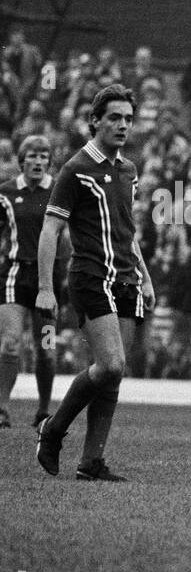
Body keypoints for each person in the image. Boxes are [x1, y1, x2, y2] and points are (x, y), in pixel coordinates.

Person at [34, 84, 154, 481]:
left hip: (126, 278)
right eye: (115, 118)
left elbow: (127, 229)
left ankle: (91, 461)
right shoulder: (75, 169)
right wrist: (46, 288)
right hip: (90, 275)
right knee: (111, 364)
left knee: (114, 372)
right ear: (95, 122)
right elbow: (51, 229)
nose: (123, 125)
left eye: (128, 119)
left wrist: (146, 276)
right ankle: (52, 430)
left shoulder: (128, 170)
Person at [0, 135, 68, 429]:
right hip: (14, 275)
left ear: (49, 162)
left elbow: (68, 236)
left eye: (43, 156)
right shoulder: (4, 194)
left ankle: (42, 411)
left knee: (47, 350)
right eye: (32, 156)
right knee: (11, 342)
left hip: (49, 281)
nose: (38, 161)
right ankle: (1, 409)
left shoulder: (58, 192)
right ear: (22, 160)